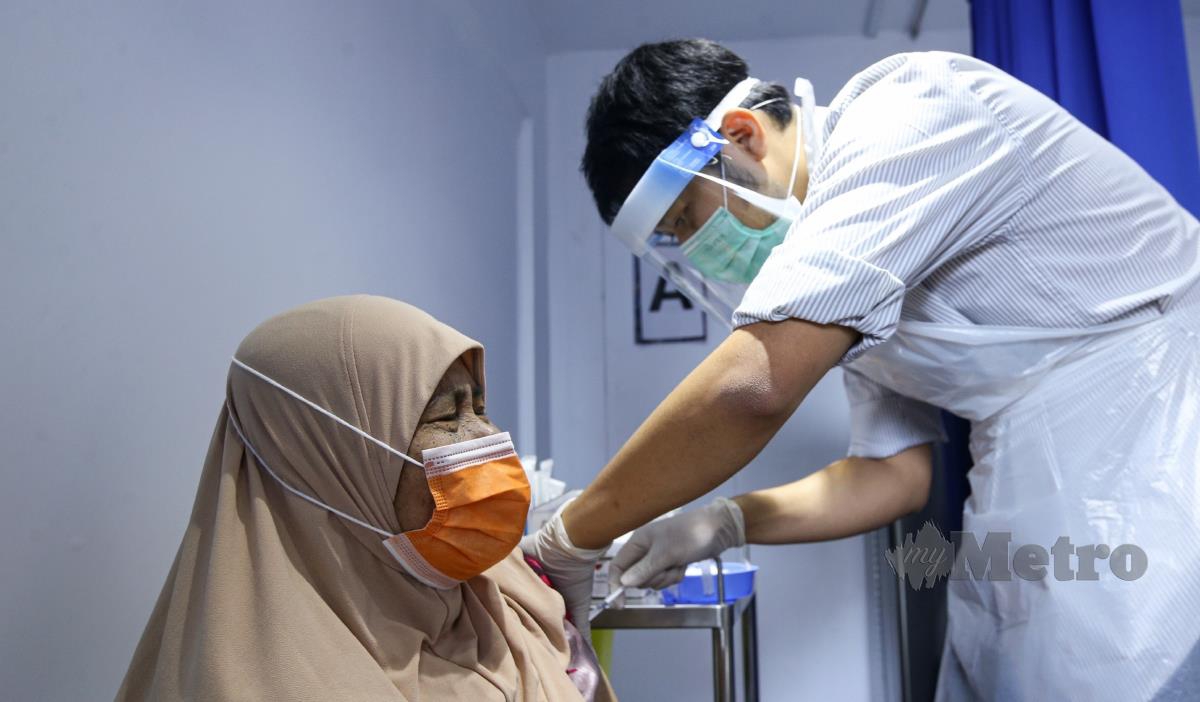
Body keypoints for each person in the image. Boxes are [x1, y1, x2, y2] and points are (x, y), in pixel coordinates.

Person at [522, 39, 1200, 700]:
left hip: (1155, 414)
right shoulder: (842, 268)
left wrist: (571, 536)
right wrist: (728, 519)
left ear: (741, 134)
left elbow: (753, 387)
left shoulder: (908, 110)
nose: (701, 253)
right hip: (1028, 465)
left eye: (687, 217)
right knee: (1004, 666)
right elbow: (893, 474)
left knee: (1126, 661)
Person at [118, 295, 614, 702]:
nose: (485, 438)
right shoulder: (253, 681)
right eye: (445, 418)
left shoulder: (514, 603)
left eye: (480, 409)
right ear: (326, 463)